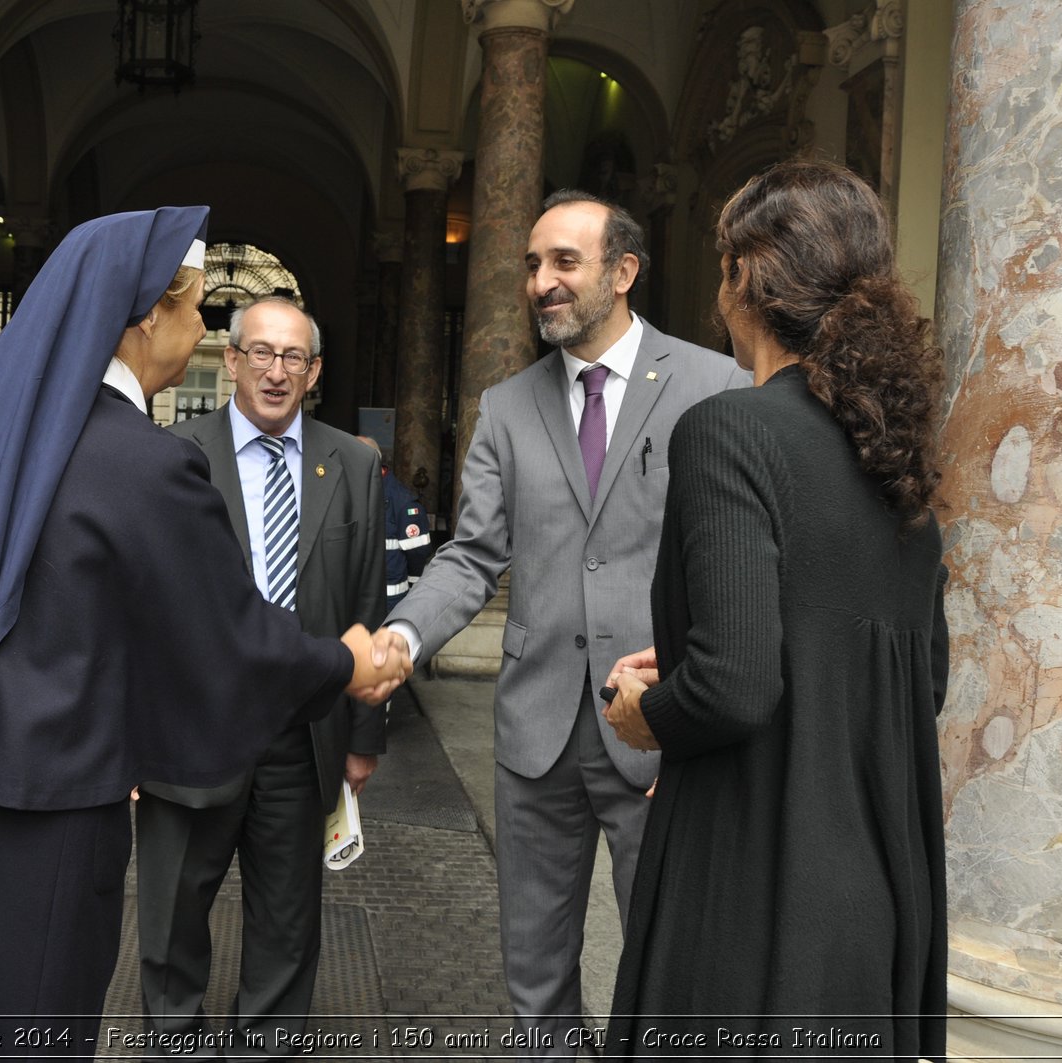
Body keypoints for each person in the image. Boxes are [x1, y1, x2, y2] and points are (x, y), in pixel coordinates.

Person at [0, 209, 410, 1059]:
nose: (202, 327)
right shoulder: (142, 460)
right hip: (24, 830)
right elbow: (227, 644)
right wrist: (342, 661)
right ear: (146, 315)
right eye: (195, 307)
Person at [383, 190, 747, 1057]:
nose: (541, 282)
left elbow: (731, 569)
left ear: (623, 273)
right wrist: (401, 637)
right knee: (535, 977)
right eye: (533, 264)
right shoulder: (506, 407)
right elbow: (471, 556)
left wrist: (696, 706)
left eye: (564, 263)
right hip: (535, 732)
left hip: (658, 731)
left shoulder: (713, 384)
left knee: (667, 957)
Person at [602, 159, 948, 1059]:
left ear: (743, 278)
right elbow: (923, 679)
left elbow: (734, 684)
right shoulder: (895, 470)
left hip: (750, 899)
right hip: (874, 904)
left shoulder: (730, 431)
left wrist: (651, 710)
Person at [137, 297, 387, 1052]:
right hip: (190, 736)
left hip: (302, 734)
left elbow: (366, 602)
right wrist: (130, 736)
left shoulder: (354, 461)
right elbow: (139, 605)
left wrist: (364, 734)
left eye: (293, 358)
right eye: (262, 353)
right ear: (233, 359)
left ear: (314, 372)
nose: (276, 372)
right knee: (172, 918)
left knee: (288, 923)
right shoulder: (173, 455)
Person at [356, 434, 432, 612]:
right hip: (353, 601)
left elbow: (417, 553)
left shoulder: (403, 501)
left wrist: (414, 587)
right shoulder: (348, 490)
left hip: (388, 603)